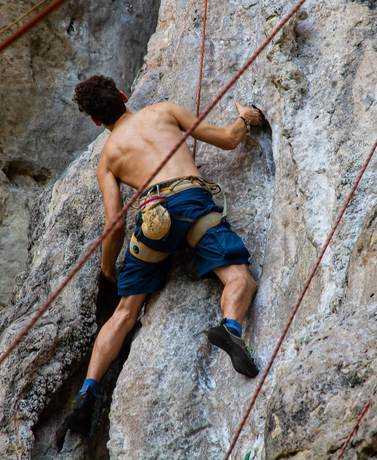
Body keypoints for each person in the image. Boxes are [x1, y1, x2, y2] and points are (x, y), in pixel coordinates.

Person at [65, 75, 266, 436]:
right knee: (239, 279)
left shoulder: (108, 157)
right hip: (190, 203)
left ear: (96, 121)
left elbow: (114, 224)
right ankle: (231, 329)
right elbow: (228, 140)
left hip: (153, 220)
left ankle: (87, 394)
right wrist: (246, 117)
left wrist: (108, 271)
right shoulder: (164, 111)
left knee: (125, 313)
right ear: (124, 96)